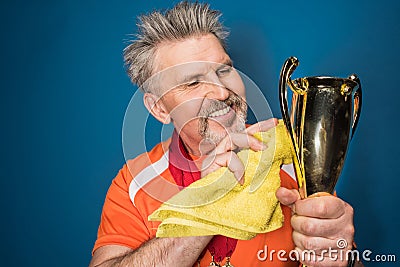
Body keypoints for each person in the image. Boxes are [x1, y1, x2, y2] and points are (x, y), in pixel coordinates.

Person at [89, 2, 359, 266]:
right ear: (160, 108)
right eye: (193, 82)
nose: (221, 92)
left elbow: (338, 256)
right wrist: (208, 202)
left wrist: (341, 259)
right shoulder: (135, 181)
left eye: (224, 70)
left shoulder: (295, 161)